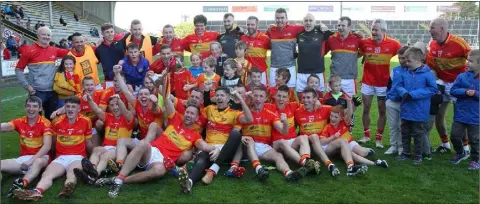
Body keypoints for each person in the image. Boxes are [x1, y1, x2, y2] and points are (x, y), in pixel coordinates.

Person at [97, 77, 220, 197]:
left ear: (196, 118)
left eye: (192, 114)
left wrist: (217, 149)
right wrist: (160, 83)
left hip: (161, 161)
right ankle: (119, 179)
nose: (188, 115)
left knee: (160, 171)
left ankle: (120, 180)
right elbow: (166, 98)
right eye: (187, 112)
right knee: (144, 143)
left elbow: (204, 146)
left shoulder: (195, 135)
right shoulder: (176, 118)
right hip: (152, 151)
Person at [13, 96, 93, 201]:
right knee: (47, 174)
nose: (70, 109)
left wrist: (92, 158)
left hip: (77, 156)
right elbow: (53, 141)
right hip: (61, 157)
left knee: (72, 172)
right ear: (64, 107)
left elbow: (88, 142)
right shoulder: (56, 122)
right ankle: (36, 191)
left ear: (79, 108)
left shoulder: (86, 121)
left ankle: (68, 187)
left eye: (73, 107)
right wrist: (53, 155)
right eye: (67, 106)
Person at [177, 86, 253, 193]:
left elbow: (249, 119)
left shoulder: (234, 113)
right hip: (210, 148)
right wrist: (188, 102)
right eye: (217, 95)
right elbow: (196, 110)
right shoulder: (209, 109)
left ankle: (213, 170)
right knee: (202, 158)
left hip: (226, 148)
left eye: (222, 95)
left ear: (228, 98)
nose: (219, 98)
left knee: (236, 133)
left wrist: (240, 98)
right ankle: (189, 182)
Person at [106, 65, 164, 172]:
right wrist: (117, 74)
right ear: (137, 97)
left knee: (153, 125)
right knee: (122, 140)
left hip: (157, 143)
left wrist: (155, 103)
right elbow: (125, 91)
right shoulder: (137, 104)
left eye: (146, 94)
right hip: (143, 141)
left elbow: (156, 110)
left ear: (150, 96)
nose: (143, 96)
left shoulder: (154, 106)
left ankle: (136, 156)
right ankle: (119, 164)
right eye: (141, 94)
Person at [426, 18, 472, 154]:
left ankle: (466, 148)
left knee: (461, 116)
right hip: (441, 84)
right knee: (439, 116)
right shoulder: (432, 44)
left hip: (458, 85)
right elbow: (432, 65)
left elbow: (474, 60)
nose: (430, 30)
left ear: (442, 29)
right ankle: (445, 144)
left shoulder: (459, 43)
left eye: (432, 27)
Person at [358, 19, 402, 148]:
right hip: (367, 82)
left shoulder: (394, 44)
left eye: (376, 30)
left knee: (382, 110)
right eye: (372, 29)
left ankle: (379, 138)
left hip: (383, 84)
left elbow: (405, 54)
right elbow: (356, 51)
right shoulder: (365, 42)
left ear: (384, 31)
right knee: (365, 108)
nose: (373, 32)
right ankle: (366, 135)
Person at [74, 93, 134, 184]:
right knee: (96, 149)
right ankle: (92, 169)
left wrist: (119, 100)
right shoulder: (108, 117)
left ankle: (94, 176)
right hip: (106, 147)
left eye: (117, 104)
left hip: (119, 149)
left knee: (104, 157)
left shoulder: (128, 118)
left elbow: (125, 111)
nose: (115, 107)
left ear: (121, 105)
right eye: (112, 105)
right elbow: (97, 110)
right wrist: (90, 100)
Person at [1, 96, 52, 198]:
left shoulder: (45, 123)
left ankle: (21, 184)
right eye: (28, 106)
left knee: (38, 162)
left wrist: (30, 161)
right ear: (25, 107)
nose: (31, 109)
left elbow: (47, 147)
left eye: (34, 106)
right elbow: (4, 127)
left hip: (42, 158)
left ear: (40, 109)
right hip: (24, 159)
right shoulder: (20, 121)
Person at [15, 26, 69, 120]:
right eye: (44, 34)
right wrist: (27, 86)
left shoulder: (54, 50)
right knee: (35, 119)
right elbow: (18, 69)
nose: (47, 37)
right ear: (38, 35)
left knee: (52, 119)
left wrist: (88, 46)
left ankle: (49, 134)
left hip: (53, 91)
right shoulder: (28, 51)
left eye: (49, 35)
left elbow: (72, 53)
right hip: (36, 91)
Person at [395, 47, 437, 165]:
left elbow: (433, 89)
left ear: (418, 61)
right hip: (406, 109)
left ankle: (418, 155)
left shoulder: (427, 74)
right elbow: (398, 85)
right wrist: (404, 93)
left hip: (419, 110)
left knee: (418, 133)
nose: (406, 63)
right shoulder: (405, 73)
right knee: (405, 132)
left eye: (409, 61)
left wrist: (413, 95)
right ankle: (406, 152)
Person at [268, 85, 322, 175]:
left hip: (292, 143)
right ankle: (305, 164)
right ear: (275, 96)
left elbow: (308, 104)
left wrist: (317, 101)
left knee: (303, 137)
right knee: (282, 142)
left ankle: (306, 159)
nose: (281, 99)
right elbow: (256, 104)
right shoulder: (269, 108)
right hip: (277, 144)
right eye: (279, 96)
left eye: (284, 97)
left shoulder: (293, 106)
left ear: (288, 98)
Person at [320, 105, 388, 169]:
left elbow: (350, 113)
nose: (332, 118)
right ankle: (374, 163)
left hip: (349, 142)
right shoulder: (327, 127)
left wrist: (349, 101)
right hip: (339, 147)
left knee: (363, 153)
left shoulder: (345, 122)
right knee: (352, 154)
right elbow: (322, 142)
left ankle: (366, 150)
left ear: (341, 118)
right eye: (331, 116)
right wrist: (334, 137)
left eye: (336, 117)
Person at [449, 49, 479, 170]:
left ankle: (476, 159)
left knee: (475, 140)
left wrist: (475, 93)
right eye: (467, 60)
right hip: (460, 113)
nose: (467, 63)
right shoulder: (461, 76)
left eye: (471, 61)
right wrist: (465, 92)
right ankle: (460, 152)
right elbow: (453, 90)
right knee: (455, 136)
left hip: (476, 116)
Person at [296, 13, 334, 95]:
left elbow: (338, 36)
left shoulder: (322, 33)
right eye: (306, 20)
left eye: (310, 20)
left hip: (318, 72)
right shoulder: (299, 34)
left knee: (318, 100)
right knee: (302, 101)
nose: (308, 23)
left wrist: (356, 33)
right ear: (303, 23)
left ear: (314, 22)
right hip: (302, 72)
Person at [266, 8, 304, 88]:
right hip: (275, 67)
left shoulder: (294, 29)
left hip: (290, 67)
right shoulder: (270, 30)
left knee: (290, 93)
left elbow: (309, 26)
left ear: (286, 18)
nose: (279, 20)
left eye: (282, 18)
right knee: (274, 93)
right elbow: (260, 38)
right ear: (274, 19)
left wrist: (320, 26)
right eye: (277, 18)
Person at [327, 16, 362, 97]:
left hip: (349, 79)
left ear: (349, 27)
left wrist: (353, 57)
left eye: (343, 25)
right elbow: (323, 51)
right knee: (333, 105)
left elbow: (364, 51)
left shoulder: (357, 39)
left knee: (350, 105)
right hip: (334, 78)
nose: (340, 28)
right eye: (339, 25)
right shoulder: (331, 39)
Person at [384, 46, 409, 155]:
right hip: (392, 102)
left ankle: (401, 147)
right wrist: (388, 98)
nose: (401, 60)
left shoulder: (413, 71)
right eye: (400, 58)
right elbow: (389, 85)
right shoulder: (395, 70)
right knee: (393, 125)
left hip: (404, 104)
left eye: (404, 58)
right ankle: (393, 146)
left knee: (401, 126)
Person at [95, 23, 126, 88]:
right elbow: (95, 62)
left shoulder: (121, 43)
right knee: (110, 97)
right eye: (107, 32)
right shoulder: (99, 49)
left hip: (123, 78)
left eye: (112, 31)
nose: (110, 34)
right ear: (102, 34)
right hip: (108, 80)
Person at [240, 16, 269, 86]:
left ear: (257, 25)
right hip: (247, 73)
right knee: (248, 94)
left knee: (261, 94)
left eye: (252, 24)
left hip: (260, 73)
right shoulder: (243, 38)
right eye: (248, 24)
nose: (250, 26)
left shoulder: (265, 38)